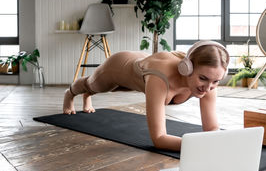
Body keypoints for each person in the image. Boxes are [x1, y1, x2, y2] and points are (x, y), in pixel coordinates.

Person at [63, 40, 230, 151]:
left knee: (101, 89)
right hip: (119, 66)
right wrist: (198, 146)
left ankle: (87, 96)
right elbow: (159, 138)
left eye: (216, 81)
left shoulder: (209, 82)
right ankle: (70, 94)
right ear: (187, 68)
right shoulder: (160, 77)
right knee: (92, 84)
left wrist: (214, 141)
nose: (208, 88)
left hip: (144, 67)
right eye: (203, 79)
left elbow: (211, 129)